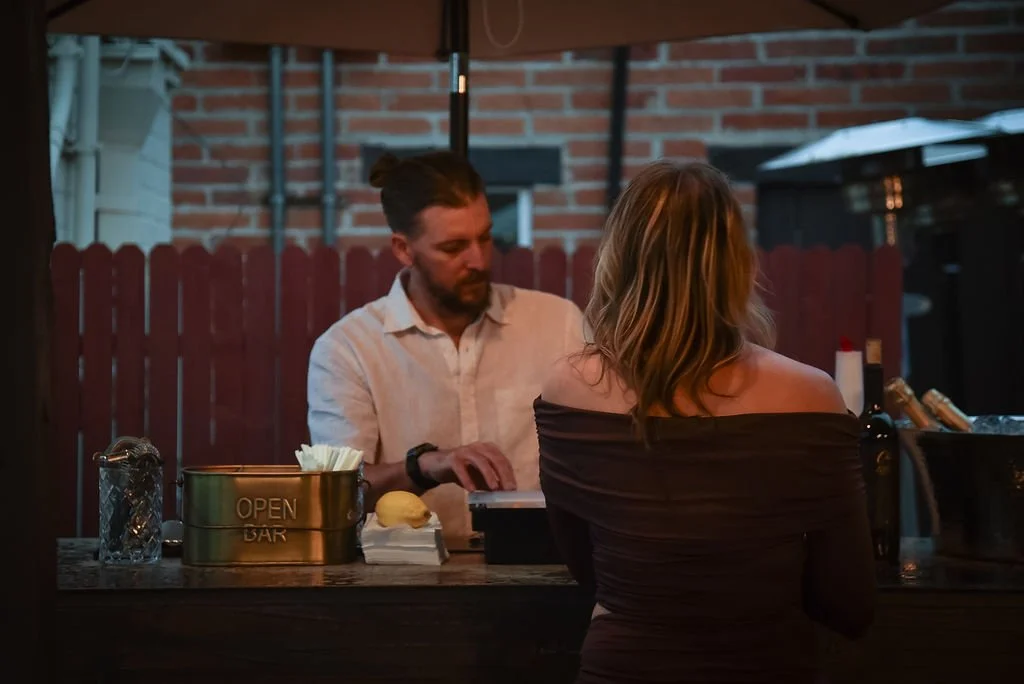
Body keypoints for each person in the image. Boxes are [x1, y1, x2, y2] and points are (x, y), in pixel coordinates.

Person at [535, 161, 875, 683]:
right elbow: (849, 603)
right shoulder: (810, 395)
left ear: (616, 260)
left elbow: (588, 571)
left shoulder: (569, 387)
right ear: (736, 264)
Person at [308, 150, 584, 538]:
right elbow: (337, 493)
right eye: (454, 248)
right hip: (408, 581)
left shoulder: (559, 323)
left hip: (542, 571)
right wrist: (425, 466)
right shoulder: (347, 349)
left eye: (485, 238)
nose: (478, 260)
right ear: (403, 249)